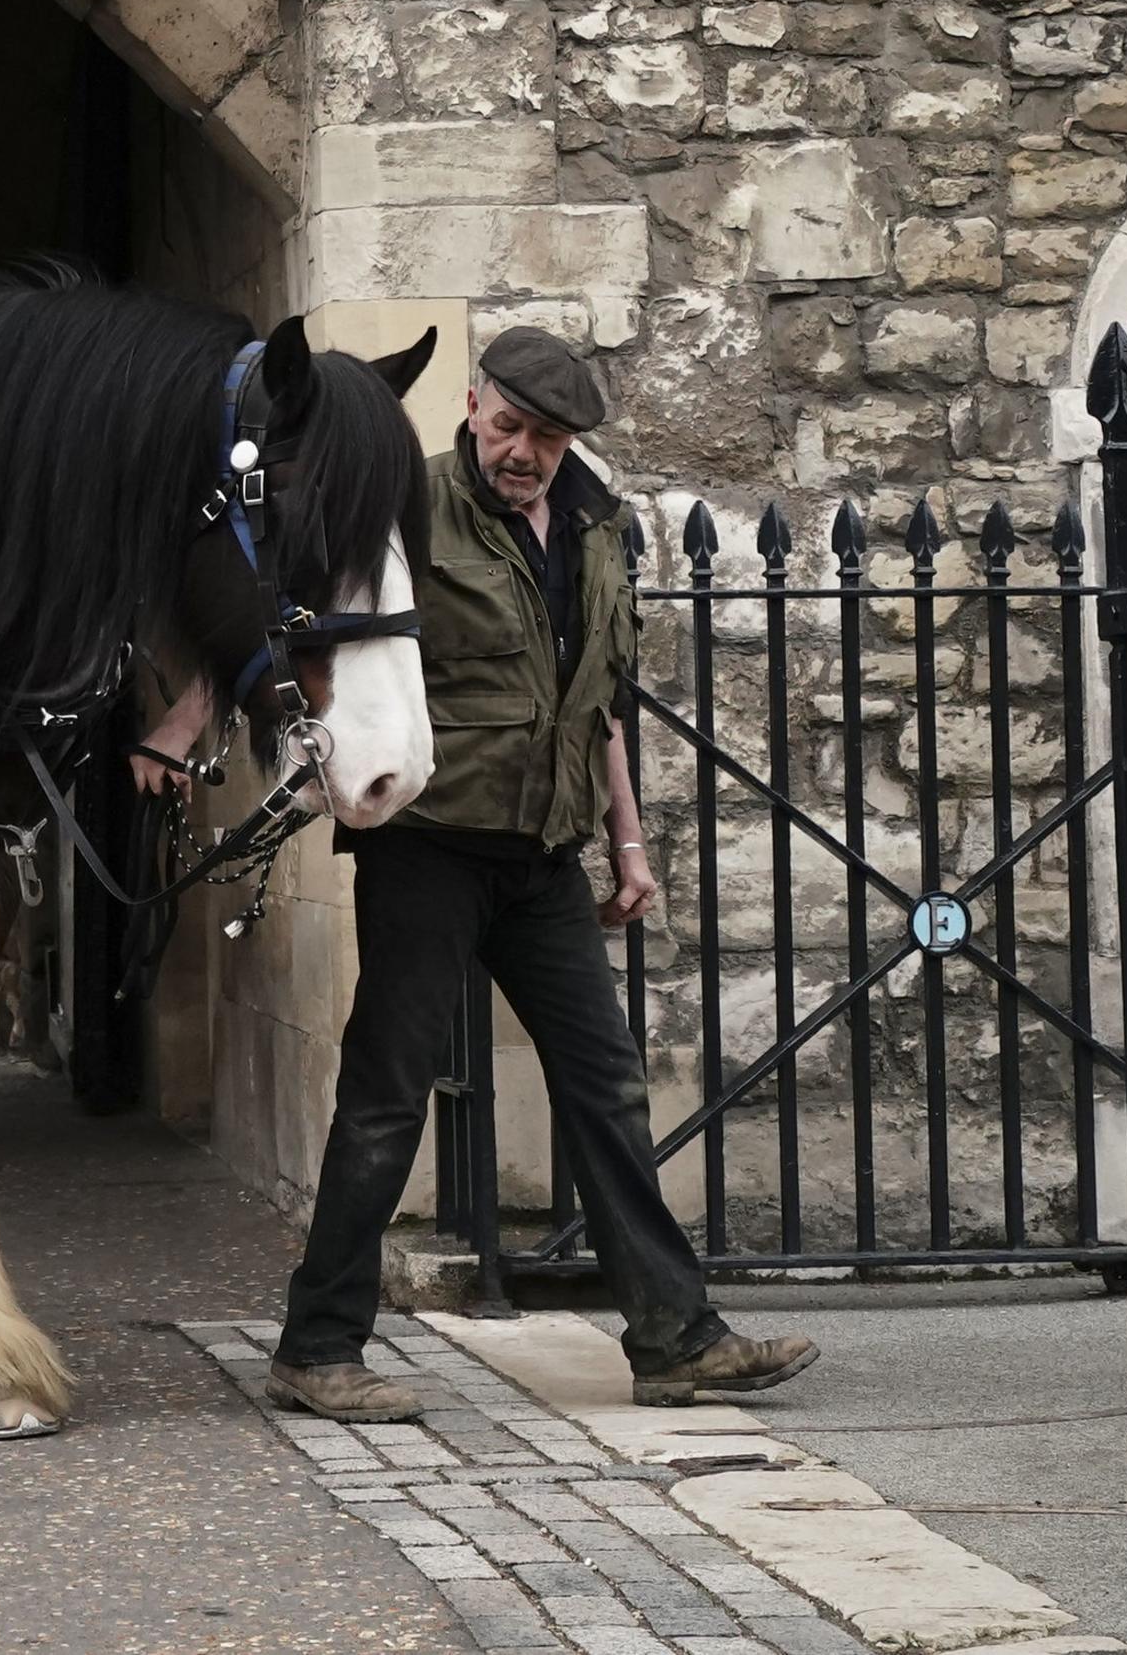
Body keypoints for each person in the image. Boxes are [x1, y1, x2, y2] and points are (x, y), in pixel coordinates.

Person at [267, 326, 817, 1423]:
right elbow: (316, 642)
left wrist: (628, 844)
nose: (523, 451)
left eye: (547, 436)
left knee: (607, 1087)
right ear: (472, 405)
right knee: (386, 1098)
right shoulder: (404, 507)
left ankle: (674, 1339)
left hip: (545, 856)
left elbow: (599, 701)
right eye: (509, 424)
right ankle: (317, 1348)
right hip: (427, 845)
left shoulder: (595, 527)